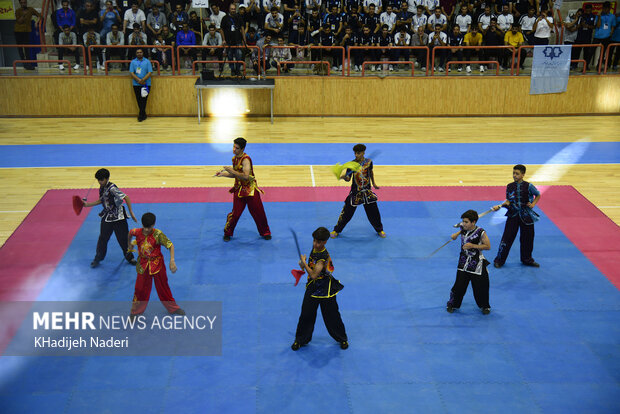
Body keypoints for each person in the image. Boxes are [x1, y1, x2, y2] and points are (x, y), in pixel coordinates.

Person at [291, 227, 348, 351]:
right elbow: (311, 267)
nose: (315, 244)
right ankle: (300, 340)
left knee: (332, 316)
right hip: (312, 287)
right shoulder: (315, 249)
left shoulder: (322, 256)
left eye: (318, 242)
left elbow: (313, 274)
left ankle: (342, 338)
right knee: (306, 314)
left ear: (325, 242)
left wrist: (304, 262)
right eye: (314, 241)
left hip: (326, 289)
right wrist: (303, 264)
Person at [128, 212, 185, 318]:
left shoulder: (158, 234)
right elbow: (130, 234)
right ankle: (135, 312)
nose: (146, 230)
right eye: (144, 227)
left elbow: (170, 245)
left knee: (163, 287)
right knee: (139, 289)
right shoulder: (136, 232)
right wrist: (129, 247)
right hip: (142, 264)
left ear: (153, 225)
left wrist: (172, 260)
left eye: (148, 228)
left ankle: (173, 308)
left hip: (157, 264)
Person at [215, 137, 272, 241]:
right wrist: (222, 174)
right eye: (233, 146)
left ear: (242, 149)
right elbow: (236, 175)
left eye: (236, 148)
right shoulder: (234, 159)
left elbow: (245, 176)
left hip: (250, 189)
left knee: (259, 212)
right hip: (239, 189)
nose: (233, 149)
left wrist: (231, 170)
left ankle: (265, 232)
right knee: (235, 213)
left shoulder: (246, 160)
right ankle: (227, 233)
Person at [82, 168, 137, 268]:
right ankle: (98, 258)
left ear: (107, 178)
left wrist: (131, 212)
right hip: (107, 216)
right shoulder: (101, 187)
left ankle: (129, 257)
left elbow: (126, 197)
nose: (99, 182)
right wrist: (88, 204)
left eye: (101, 180)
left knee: (123, 239)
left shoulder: (112, 188)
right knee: (103, 238)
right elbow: (101, 200)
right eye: (98, 180)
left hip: (119, 217)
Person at [331, 144, 385, 238]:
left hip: (367, 192)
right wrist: (343, 177)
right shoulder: (351, 165)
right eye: (355, 153)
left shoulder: (369, 162)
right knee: (346, 213)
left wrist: (374, 184)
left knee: (374, 213)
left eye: (358, 153)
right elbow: (348, 179)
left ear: (363, 152)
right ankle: (337, 230)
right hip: (356, 193)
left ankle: (379, 230)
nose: (356, 155)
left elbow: (371, 173)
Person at [492, 164, 541, 268]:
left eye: (517, 174)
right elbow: (509, 201)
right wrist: (500, 206)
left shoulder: (529, 186)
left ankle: (527, 259)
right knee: (507, 238)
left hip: (526, 216)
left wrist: (533, 204)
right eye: (513, 173)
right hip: (513, 215)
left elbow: (538, 194)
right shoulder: (509, 186)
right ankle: (499, 260)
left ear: (523, 174)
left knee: (527, 239)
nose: (514, 175)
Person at [446, 210, 492, 315]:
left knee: (481, 286)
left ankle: (485, 306)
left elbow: (488, 246)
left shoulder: (481, 232)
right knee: (459, 285)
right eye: (463, 221)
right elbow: (461, 230)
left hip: (477, 264)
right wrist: (456, 235)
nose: (463, 224)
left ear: (473, 222)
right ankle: (453, 304)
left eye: (466, 222)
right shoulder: (463, 228)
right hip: (463, 262)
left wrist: (473, 246)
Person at [220, 3, 247, 76]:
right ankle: (232, 69)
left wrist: (244, 40)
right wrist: (223, 39)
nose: (233, 10)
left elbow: (242, 28)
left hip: (238, 41)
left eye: (234, 9)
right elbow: (221, 29)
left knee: (239, 55)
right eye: (232, 9)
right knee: (230, 56)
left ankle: (238, 69)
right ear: (229, 9)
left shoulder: (239, 17)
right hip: (229, 41)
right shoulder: (225, 18)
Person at [14, 0, 41, 70]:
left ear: (26, 2)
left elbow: (40, 16)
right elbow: (19, 21)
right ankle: (24, 64)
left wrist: (36, 22)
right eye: (22, 3)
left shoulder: (30, 9)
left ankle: (28, 64)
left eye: (24, 2)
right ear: (20, 3)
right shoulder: (18, 11)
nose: (23, 4)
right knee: (20, 48)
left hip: (26, 31)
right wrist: (23, 15)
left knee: (27, 48)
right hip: (18, 31)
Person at [130, 48, 153, 121]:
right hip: (136, 84)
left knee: (144, 100)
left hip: (146, 83)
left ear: (143, 53)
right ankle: (143, 114)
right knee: (138, 99)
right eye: (138, 52)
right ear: (136, 54)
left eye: (140, 52)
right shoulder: (133, 62)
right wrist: (138, 80)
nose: (139, 54)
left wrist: (143, 80)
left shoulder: (147, 61)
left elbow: (149, 72)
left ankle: (141, 114)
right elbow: (132, 73)